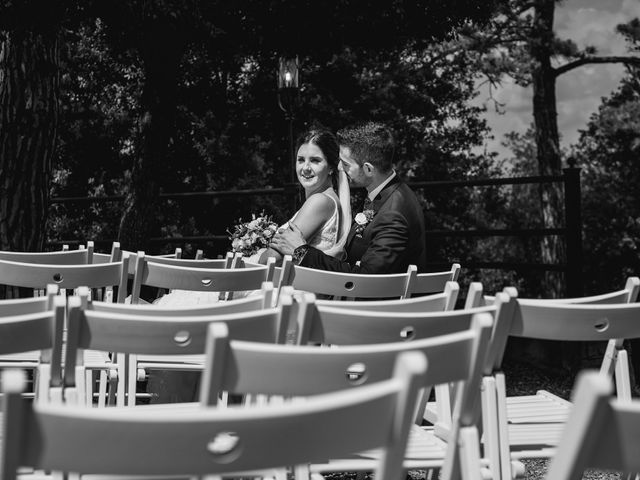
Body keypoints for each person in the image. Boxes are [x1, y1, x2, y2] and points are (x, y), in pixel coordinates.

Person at [269, 121, 427, 274]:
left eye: (345, 164)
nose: (339, 168)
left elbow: (366, 278)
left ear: (368, 169)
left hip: (374, 299)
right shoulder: (383, 194)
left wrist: (301, 252)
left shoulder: (393, 213)